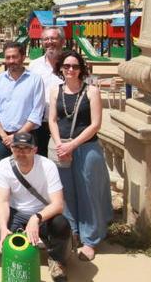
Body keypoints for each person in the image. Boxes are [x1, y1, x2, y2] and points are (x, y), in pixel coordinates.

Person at [47, 50, 113, 262]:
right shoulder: (55, 90)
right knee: (64, 193)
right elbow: (52, 120)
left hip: (86, 148)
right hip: (61, 148)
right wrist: (59, 144)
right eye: (66, 66)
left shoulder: (91, 91)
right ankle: (72, 232)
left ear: (81, 69)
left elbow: (95, 124)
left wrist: (73, 145)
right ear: (61, 69)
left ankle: (90, 239)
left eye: (75, 66)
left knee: (88, 193)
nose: (70, 70)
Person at [0, 132, 71, 282]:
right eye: (16, 148)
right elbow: (3, 201)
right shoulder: (4, 165)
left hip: (42, 213)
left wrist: (36, 218)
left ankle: (56, 259)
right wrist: (2, 228)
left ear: (34, 150)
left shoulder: (47, 166)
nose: (21, 152)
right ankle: (20, 251)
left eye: (26, 148)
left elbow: (58, 204)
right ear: (11, 149)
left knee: (61, 225)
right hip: (17, 212)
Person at [0, 42, 45, 164]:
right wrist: (5, 137)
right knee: (4, 177)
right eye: (8, 57)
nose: (11, 60)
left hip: (27, 137)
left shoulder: (35, 80)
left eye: (15, 56)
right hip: (2, 139)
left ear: (23, 57)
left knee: (28, 175)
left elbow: (37, 113)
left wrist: (16, 136)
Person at [28, 27, 65, 156]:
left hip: (63, 122)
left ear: (62, 41)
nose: (49, 42)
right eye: (46, 39)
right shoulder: (34, 66)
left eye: (53, 38)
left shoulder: (71, 64)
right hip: (39, 123)